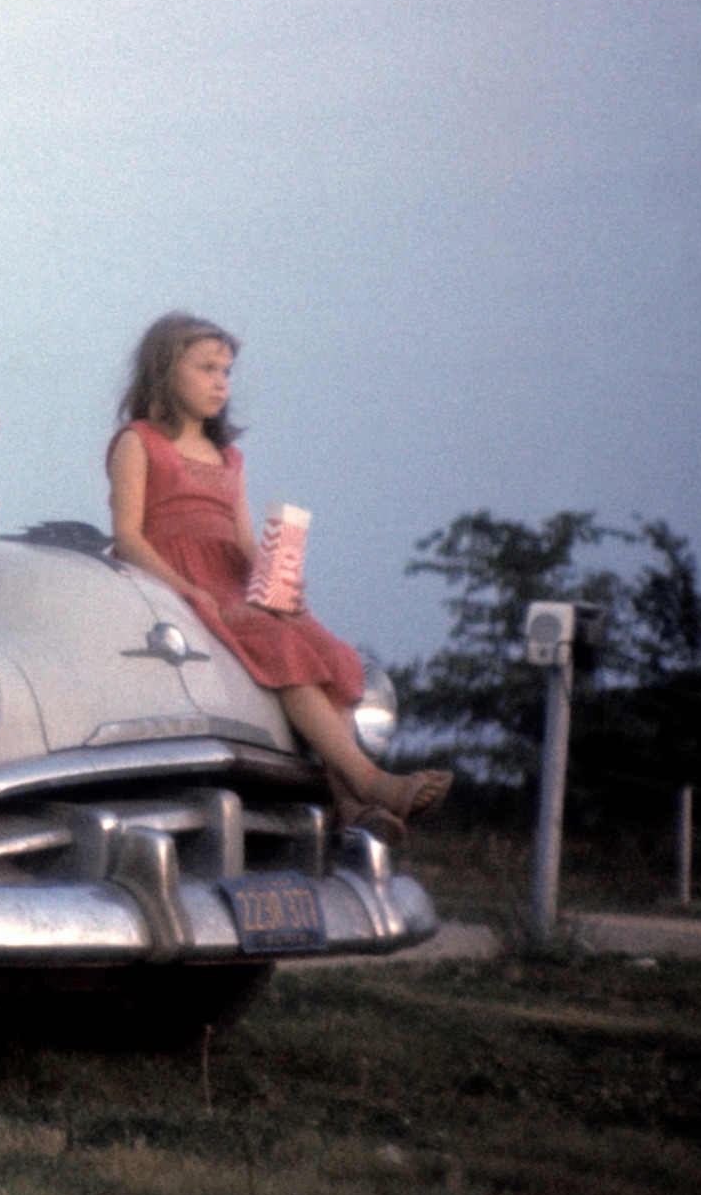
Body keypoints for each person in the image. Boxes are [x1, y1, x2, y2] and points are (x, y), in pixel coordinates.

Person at [106, 312, 450, 842]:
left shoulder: (228, 455)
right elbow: (129, 536)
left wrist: (279, 584)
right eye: (206, 369)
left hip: (233, 579)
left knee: (329, 651)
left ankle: (349, 807)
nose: (221, 383)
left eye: (226, 371)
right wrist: (189, 590)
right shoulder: (140, 441)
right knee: (280, 647)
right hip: (173, 580)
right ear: (165, 371)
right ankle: (371, 782)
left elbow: (244, 541)